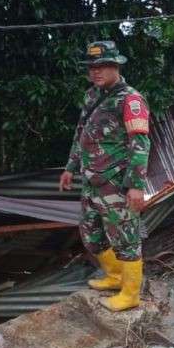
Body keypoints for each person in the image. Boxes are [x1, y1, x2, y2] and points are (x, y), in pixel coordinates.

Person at [59, 41, 150, 312]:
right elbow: (81, 134)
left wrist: (135, 185)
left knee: (125, 237)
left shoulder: (131, 99)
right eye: (91, 68)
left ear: (116, 66)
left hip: (116, 181)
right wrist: (69, 168)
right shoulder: (91, 96)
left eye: (102, 66)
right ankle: (114, 276)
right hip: (92, 179)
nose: (95, 72)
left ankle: (131, 293)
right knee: (91, 232)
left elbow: (140, 143)